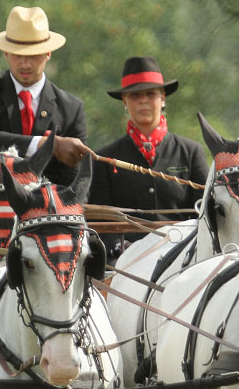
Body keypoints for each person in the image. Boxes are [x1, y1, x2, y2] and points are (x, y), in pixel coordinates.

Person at [0, 5, 90, 224]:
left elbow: (73, 181)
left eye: (33, 56)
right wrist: (47, 145)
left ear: (48, 53)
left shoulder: (70, 109)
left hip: (46, 218)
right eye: (18, 55)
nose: (25, 63)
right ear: (6, 53)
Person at [87, 56, 209, 258]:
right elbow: (99, 223)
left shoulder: (190, 152)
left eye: (150, 94)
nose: (143, 100)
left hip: (184, 258)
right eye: (135, 95)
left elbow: (204, 213)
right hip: (125, 264)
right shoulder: (104, 159)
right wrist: (119, 247)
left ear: (162, 98)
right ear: (125, 101)